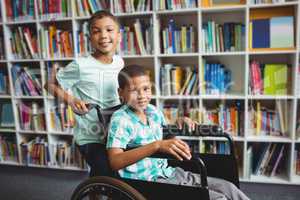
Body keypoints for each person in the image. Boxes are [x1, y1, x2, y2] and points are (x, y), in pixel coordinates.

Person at [106, 65, 250, 200]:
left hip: (168, 171)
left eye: (146, 89)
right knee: (218, 198)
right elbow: (115, 161)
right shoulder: (120, 119)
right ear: (121, 93)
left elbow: (167, 136)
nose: (142, 95)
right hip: (147, 181)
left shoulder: (153, 111)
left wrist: (179, 124)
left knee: (228, 188)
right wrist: (156, 146)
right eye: (133, 90)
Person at [45, 10, 124, 177]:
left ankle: (94, 190)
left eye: (109, 30)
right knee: (108, 173)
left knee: (118, 172)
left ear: (119, 35)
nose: (103, 35)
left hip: (115, 131)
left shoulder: (119, 62)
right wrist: (71, 99)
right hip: (90, 135)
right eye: (96, 31)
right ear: (90, 38)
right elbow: (49, 85)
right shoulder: (80, 65)